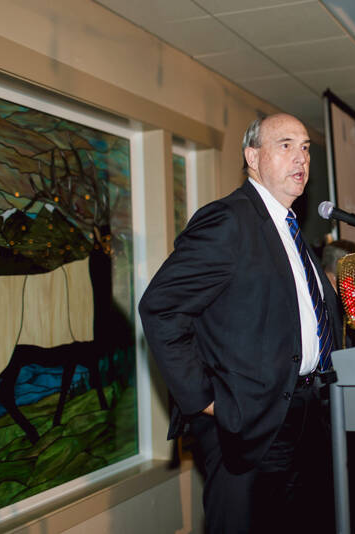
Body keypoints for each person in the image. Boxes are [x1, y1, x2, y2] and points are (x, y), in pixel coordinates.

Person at [138, 113, 342, 533]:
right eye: (285, 145)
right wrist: (207, 402)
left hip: (307, 417)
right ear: (253, 156)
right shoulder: (229, 220)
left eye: (305, 147)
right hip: (248, 426)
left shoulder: (290, 229)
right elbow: (161, 308)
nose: (301, 157)